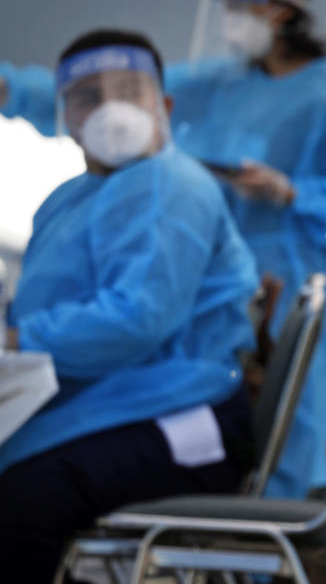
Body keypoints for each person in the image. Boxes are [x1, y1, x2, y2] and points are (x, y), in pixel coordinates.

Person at [0, 0, 326, 498]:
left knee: (293, 442)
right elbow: (112, 90)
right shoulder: (221, 82)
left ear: (282, 8)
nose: (230, 20)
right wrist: (12, 89)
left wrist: (292, 192)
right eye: (226, 6)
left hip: (289, 273)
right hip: (200, 285)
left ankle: (269, 552)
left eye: (242, 6)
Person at [0, 29, 258, 583]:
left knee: (22, 501)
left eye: (129, 91)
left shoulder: (170, 185)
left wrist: (20, 341)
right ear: (64, 117)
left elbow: (137, 318)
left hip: (186, 419)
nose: (110, 108)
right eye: (88, 96)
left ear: (163, 105)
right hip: (125, 402)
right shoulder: (71, 198)